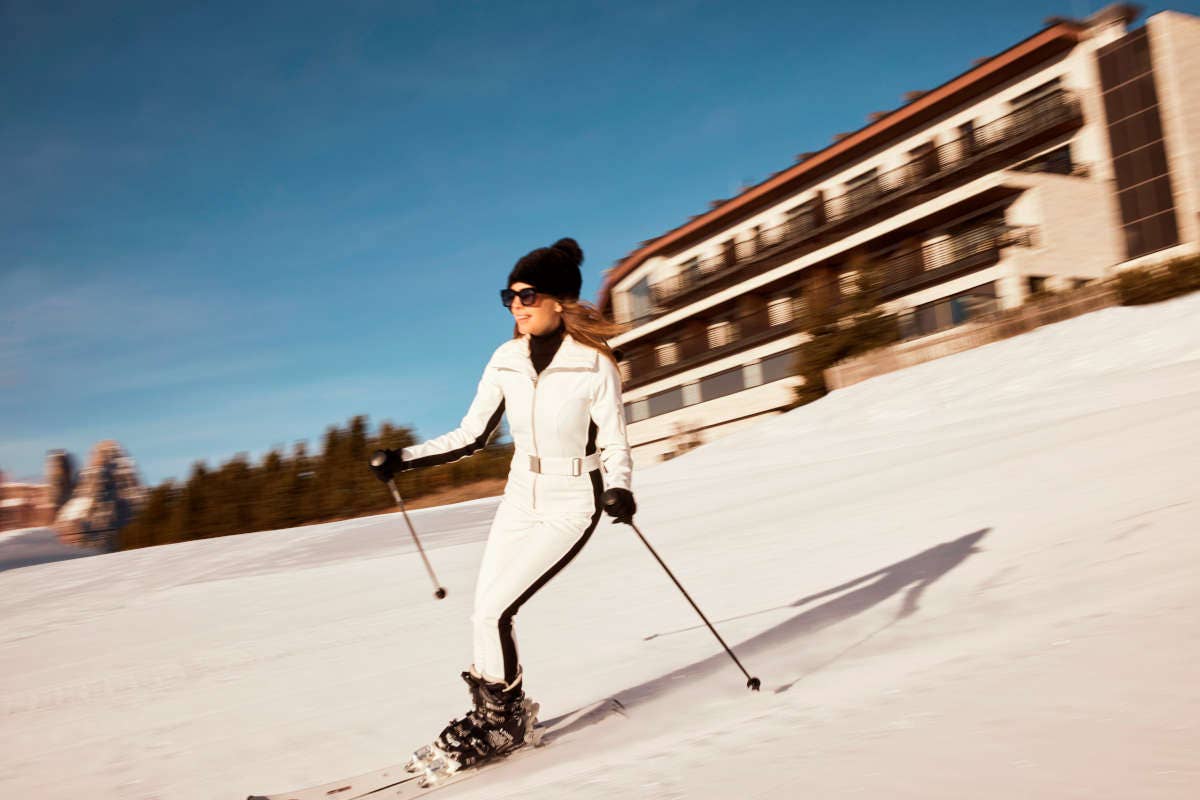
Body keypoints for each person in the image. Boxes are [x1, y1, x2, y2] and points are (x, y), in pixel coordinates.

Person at [369, 237, 637, 777]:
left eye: (527, 295)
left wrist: (621, 488)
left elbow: (615, 443)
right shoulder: (505, 359)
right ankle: (494, 713)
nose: (516, 305)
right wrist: (403, 458)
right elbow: (472, 435)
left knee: (495, 610)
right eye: (509, 296)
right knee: (484, 609)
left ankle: (505, 723)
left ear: (558, 300)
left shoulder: (593, 366)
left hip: (570, 503)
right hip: (519, 498)